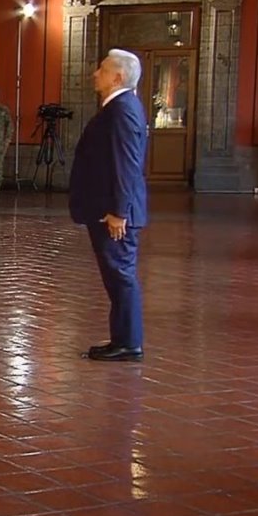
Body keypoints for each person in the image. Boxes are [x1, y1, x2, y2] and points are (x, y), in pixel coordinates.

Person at [69, 48, 148, 362]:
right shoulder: (119, 107)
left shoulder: (122, 110)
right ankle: (123, 338)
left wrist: (118, 211)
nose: (95, 74)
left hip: (114, 214)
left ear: (117, 76)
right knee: (116, 276)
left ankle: (128, 342)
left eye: (101, 69)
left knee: (120, 276)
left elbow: (126, 165)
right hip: (109, 209)